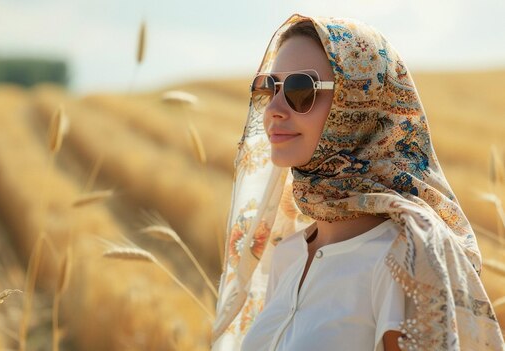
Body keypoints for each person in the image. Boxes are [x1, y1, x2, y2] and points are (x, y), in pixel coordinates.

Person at [211, 13, 505, 351]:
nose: (274, 108)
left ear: (359, 107)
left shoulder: (404, 261)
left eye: (300, 88)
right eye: (268, 87)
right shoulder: (288, 255)